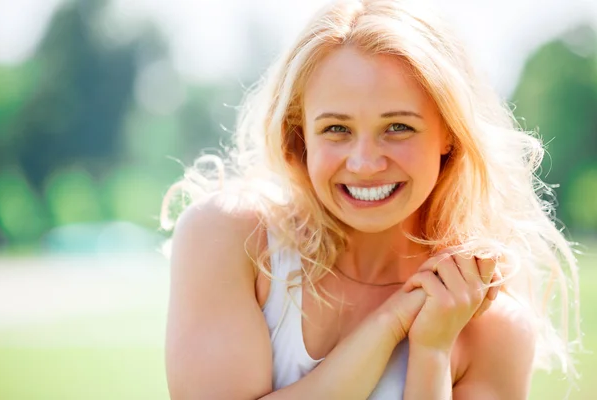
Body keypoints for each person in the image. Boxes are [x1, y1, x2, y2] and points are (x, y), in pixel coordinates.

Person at [162, 0, 580, 398]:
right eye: (336, 129)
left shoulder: (491, 325)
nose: (364, 163)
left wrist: (432, 354)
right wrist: (387, 325)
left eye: (398, 127)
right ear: (300, 133)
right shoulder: (233, 240)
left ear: (449, 134)